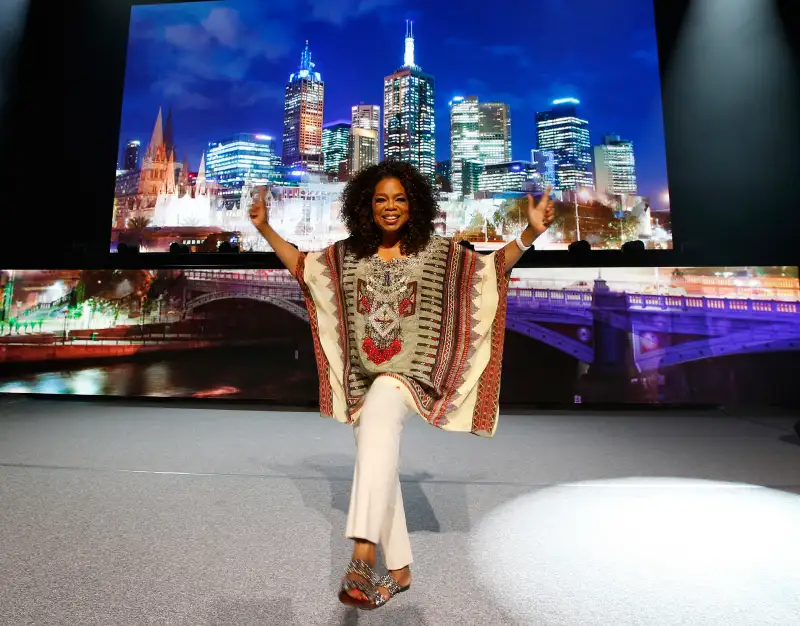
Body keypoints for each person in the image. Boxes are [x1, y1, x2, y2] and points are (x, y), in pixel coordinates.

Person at [249, 161, 554, 610]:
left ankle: (362, 556)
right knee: (378, 463)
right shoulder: (347, 255)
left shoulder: (436, 253)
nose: (390, 207)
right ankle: (401, 572)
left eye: (399, 199)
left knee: (381, 420)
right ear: (365, 207)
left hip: (408, 378)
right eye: (380, 199)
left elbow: (488, 271)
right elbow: (302, 266)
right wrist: (264, 229)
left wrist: (530, 233)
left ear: (414, 205)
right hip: (364, 378)